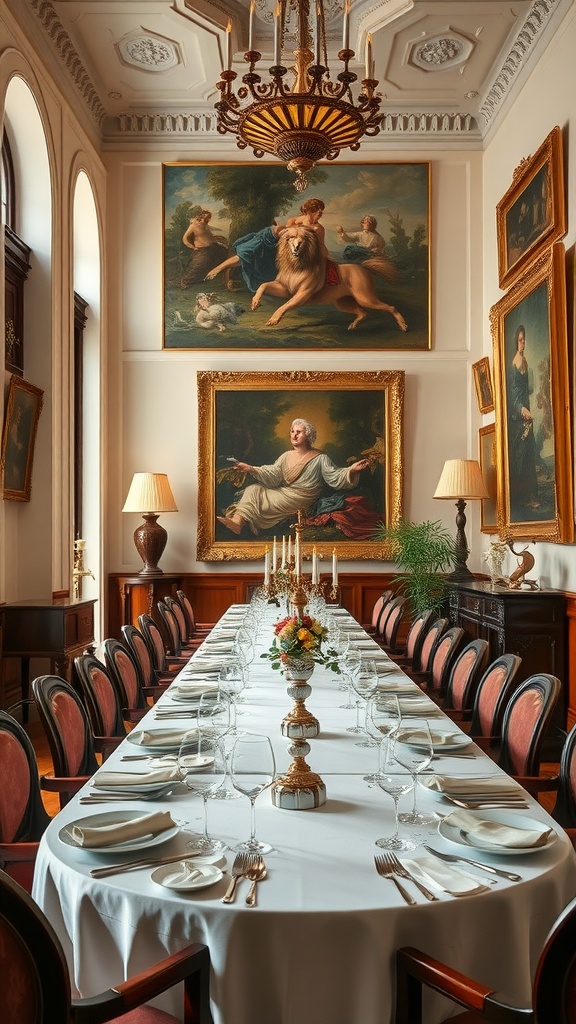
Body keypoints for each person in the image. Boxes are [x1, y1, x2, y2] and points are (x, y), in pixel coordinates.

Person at [216, 418, 371, 536]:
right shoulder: (286, 456)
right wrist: (250, 468)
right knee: (253, 489)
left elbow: (335, 476)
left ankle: (240, 522)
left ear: (308, 435)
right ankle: (237, 522)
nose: (294, 435)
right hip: (285, 492)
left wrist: (352, 469)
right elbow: (273, 474)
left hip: (301, 498)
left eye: (299, 432)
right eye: (292, 431)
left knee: (256, 494)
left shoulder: (320, 458)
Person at [508, 324, 539, 512]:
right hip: (519, 415)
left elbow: (528, 388)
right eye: (520, 340)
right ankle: (522, 497)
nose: (523, 343)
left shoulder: (524, 360)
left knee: (529, 453)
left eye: (524, 339)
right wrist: (522, 409)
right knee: (521, 455)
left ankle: (530, 496)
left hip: (526, 409)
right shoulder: (515, 362)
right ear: (515, 342)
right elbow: (513, 395)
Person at [180, 210, 228, 288]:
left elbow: (207, 236)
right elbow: (185, 238)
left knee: (226, 256)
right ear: (201, 216)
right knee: (197, 267)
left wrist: (217, 240)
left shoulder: (206, 225)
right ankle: (185, 282)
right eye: (207, 217)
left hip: (213, 247)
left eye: (209, 218)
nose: (209, 219)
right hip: (203, 250)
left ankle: (224, 280)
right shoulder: (193, 226)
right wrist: (192, 247)